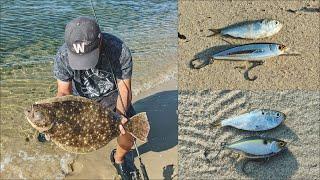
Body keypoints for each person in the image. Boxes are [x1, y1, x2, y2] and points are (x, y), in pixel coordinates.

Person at [53, 16, 135, 179]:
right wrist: (58, 120)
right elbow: (63, 93)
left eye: (88, 56)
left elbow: (124, 89)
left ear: (100, 41)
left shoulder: (119, 51)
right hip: (80, 102)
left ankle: (118, 159)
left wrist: (119, 116)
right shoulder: (62, 57)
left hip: (112, 98)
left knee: (129, 136)